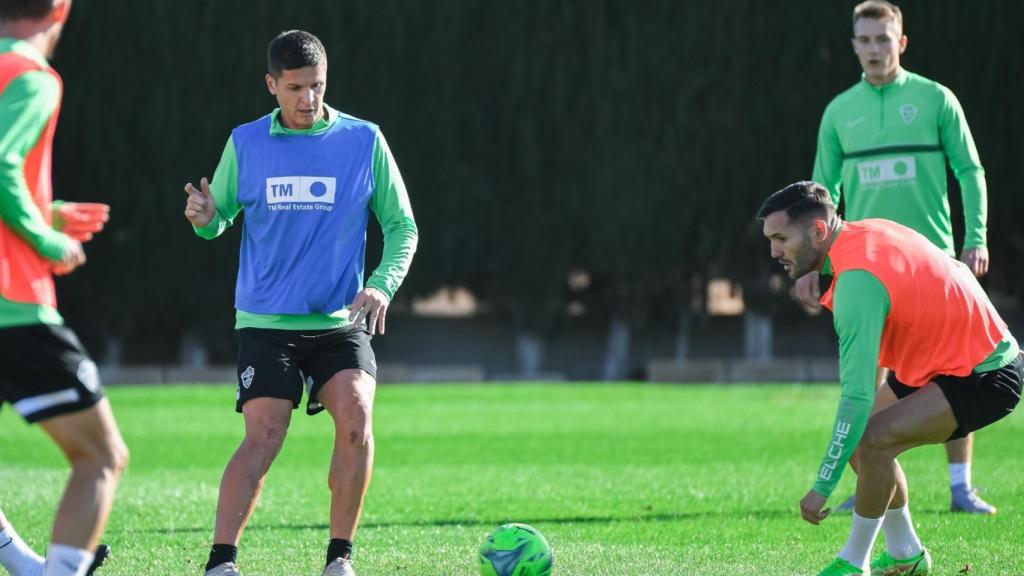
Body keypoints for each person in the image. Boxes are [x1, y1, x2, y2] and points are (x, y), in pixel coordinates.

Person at [183, 30, 417, 576]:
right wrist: (203, 218)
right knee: (265, 436)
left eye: (317, 86)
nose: (308, 99)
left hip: (341, 321)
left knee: (357, 420)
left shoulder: (365, 141)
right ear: (272, 85)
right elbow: (217, 220)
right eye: (295, 88)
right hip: (266, 321)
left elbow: (402, 226)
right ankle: (221, 563)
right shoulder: (245, 142)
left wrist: (381, 284)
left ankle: (339, 561)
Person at [758, 181, 1021, 576]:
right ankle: (905, 552)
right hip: (943, 360)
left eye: (782, 238)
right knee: (862, 445)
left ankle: (853, 562)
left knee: (869, 439)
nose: (775, 251)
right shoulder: (857, 238)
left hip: (985, 371)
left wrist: (822, 487)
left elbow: (856, 397)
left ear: (817, 231)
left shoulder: (857, 281)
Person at [803, 0, 996, 514]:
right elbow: (822, 198)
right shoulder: (840, 112)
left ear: (901, 42)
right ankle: (872, 478)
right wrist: (816, 267)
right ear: (853, 46)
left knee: (958, 365)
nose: (873, 49)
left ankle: (961, 487)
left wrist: (974, 236)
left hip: (936, 264)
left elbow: (970, 171)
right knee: (864, 374)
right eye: (863, 40)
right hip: (867, 271)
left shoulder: (936, 99)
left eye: (882, 39)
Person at [0, 1, 128, 575]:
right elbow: (0, 166)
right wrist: (48, 242)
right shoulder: (32, 76)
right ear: (60, 9)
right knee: (101, 457)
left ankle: (27, 567)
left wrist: (42, 213)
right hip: (13, 305)